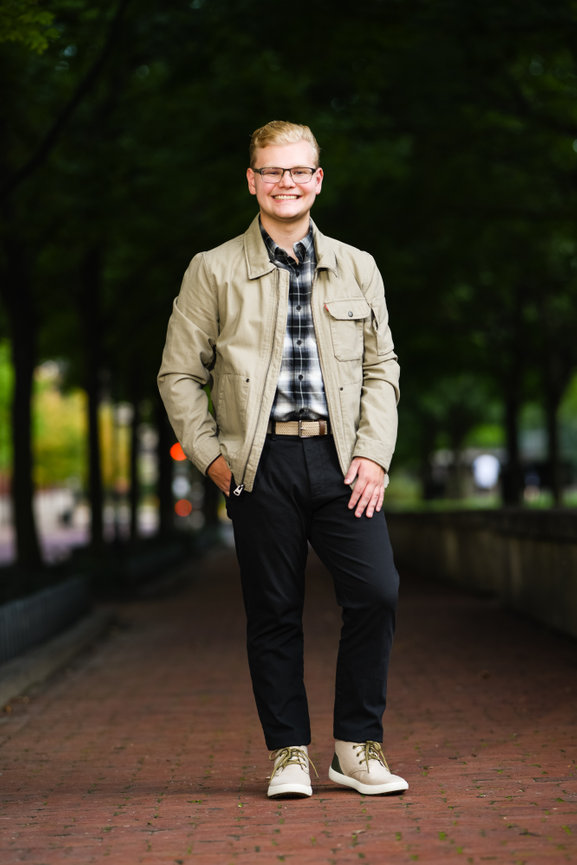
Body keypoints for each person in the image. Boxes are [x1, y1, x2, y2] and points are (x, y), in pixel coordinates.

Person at [158, 120, 408, 799]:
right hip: (257, 463)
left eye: (299, 170)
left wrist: (373, 455)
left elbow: (382, 367)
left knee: (376, 590)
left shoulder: (358, 265)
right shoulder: (212, 269)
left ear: (318, 179)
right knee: (273, 608)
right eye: (272, 171)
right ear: (252, 180)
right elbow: (178, 375)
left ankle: (355, 747)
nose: (287, 182)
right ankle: (288, 752)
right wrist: (213, 459)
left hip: (341, 460)